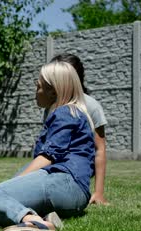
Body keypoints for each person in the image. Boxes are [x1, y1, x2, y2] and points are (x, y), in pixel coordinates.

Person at [0, 61, 95, 231]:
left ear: (53, 91)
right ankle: (45, 216)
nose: (36, 91)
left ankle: (32, 221)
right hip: (73, 195)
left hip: (64, 184)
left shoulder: (65, 113)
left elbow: (48, 157)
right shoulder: (73, 113)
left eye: (38, 86)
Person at [50, 53, 109, 205]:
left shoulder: (91, 106)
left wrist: (99, 192)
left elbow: (100, 149)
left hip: (77, 169)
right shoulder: (51, 104)